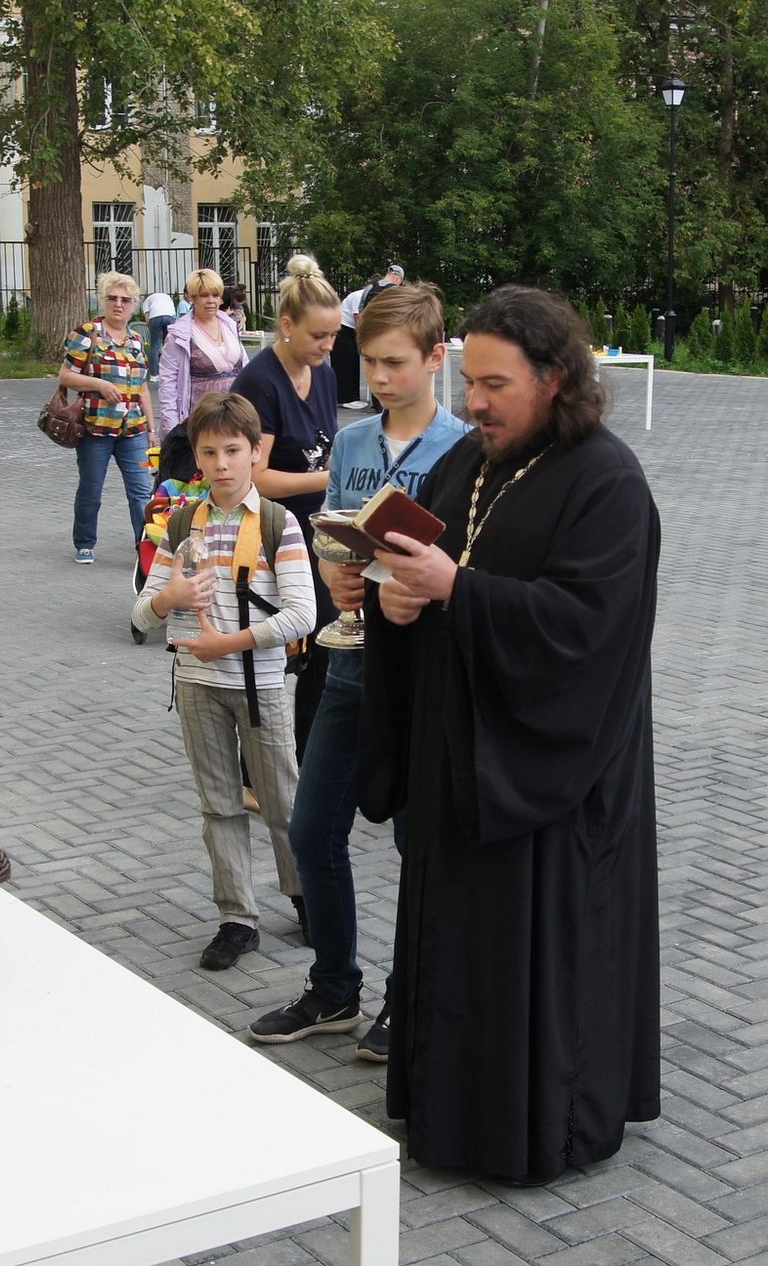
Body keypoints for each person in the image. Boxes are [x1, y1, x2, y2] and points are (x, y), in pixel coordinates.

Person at [359, 285, 661, 1185]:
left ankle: (543, 1127)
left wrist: (459, 592)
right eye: (468, 378)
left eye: (495, 384)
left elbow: (586, 630)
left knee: (537, 963)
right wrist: (390, 598)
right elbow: (432, 570)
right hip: (464, 764)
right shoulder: (474, 463)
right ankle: (451, 1112)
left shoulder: (608, 483)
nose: (475, 401)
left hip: (549, 785)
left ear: (556, 378)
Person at [247, 282, 467, 1061]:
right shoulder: (352, 444)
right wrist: (338, 573)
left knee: (416, 841)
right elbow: (334, 538)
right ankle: (335, 987)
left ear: (437, 357)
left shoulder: (463, 449)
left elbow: (466, 571)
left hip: (420, 674)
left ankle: (411, 999)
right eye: (368, 362)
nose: (379, 378)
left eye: (395, 363)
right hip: (348, 661)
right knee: (312, 831)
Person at [132, 391, 316, 972]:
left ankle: (305, 897)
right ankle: (237, 918)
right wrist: (170, 596)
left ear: (254, 450)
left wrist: (228, 643)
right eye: (209, 452)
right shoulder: (182, 522)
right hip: (196, 686)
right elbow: (139, 615)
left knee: (284, 802)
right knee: (219, 807)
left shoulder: (278, 524)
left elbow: (303, 614)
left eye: (233, 450)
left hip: (259, 687)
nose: (222, 464)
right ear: (196, 457)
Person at [230, 254, 340, 756]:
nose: (327, 345)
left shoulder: (325, 372)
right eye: (319, 336)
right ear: (287, 325)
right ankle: (256, 773)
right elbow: (254, 478)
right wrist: (327, 476)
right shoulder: (260, 381)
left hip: (318, 533)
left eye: (334, 335)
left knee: (325, 647)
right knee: (273, 657)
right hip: (270, 534)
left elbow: (329, 444)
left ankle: (306, 756)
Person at [58, 271, 157, 565]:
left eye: (125, 300)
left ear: (134, 305)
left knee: (141, 491)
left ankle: (145, 546)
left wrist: (152, 428)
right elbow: (65, 375)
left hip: (134, 430)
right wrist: (99, 385)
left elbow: (142, 388)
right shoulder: (87, 334)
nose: (119, 305)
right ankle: (85, 541)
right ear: (103, 301)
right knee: (91, 488)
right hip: (95, 429)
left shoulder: (138, 340)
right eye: (112, 298)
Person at [156, 268, 247, 438]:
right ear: (192, 297)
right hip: (199, 421)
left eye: (215, 295)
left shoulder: (229, 325)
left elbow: (246, 370)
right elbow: (168, 384)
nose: (211, 301)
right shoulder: (180, 334)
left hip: (235, 417)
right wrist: (173, 429)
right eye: (204, 295)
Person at [336, 266, 404, 410]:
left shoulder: (368, 290)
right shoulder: (393, 291)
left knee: (366, 364)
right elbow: (358, 317)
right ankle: (348, 398)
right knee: (347, 364)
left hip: (363, 332)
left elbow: (360, 315)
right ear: (398, 278)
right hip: (344, 328)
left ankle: (368, 401)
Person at [141, 286, 177, 379]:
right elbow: (173, 313)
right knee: (169, 346)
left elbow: (147, 318)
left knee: (155, 347)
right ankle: (169, 372)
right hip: (170, 316)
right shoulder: (166, 296)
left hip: (155, 317)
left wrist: (153, 330)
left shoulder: (146, 301)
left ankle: (154, 375)